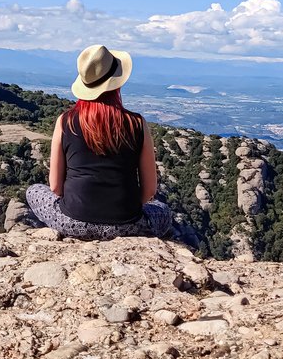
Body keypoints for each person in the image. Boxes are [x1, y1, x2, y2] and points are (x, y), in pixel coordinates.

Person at [25, 44, 173, 240]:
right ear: (116, 84)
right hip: (127, 226)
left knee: (34, 191)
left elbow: (54, 187)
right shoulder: (137, 123)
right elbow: (149, 191)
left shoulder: (65, 121)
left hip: (73, 223)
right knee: (163, 210)